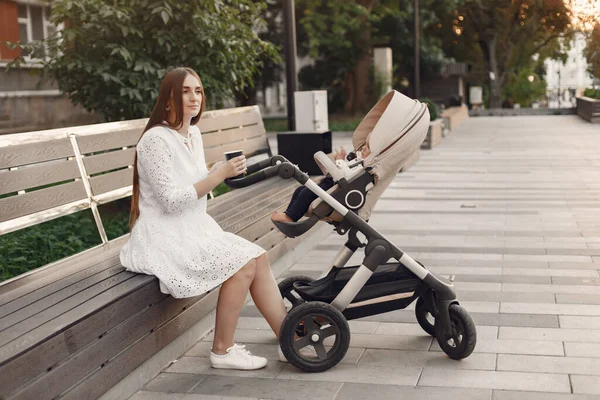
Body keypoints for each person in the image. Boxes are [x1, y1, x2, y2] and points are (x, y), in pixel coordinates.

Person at [119, 67, 288, 371]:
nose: (194, 97)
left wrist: (218, 171)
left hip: (194, 228)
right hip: (162, 236)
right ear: (168, 99)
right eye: (185, 91)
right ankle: (222, 351)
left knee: (257, 257)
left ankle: (290, 336)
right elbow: (170, 202)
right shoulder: (155, 140)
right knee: (244, 263)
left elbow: (193, 184)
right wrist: (219, 176)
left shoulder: (192, 134)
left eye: (197, 90)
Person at [271, 134, 372, 223]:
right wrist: (341, 160)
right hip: (331, 181)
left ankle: (290, 217)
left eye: (368, 147)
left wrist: (340, 161)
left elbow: (347, 174)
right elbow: (346, 169)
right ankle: (288, 214)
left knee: (306, 193)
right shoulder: (358, 161)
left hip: (336, 187)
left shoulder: (363, 167)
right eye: (364, 145)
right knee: (300, 190)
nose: (363, 148)